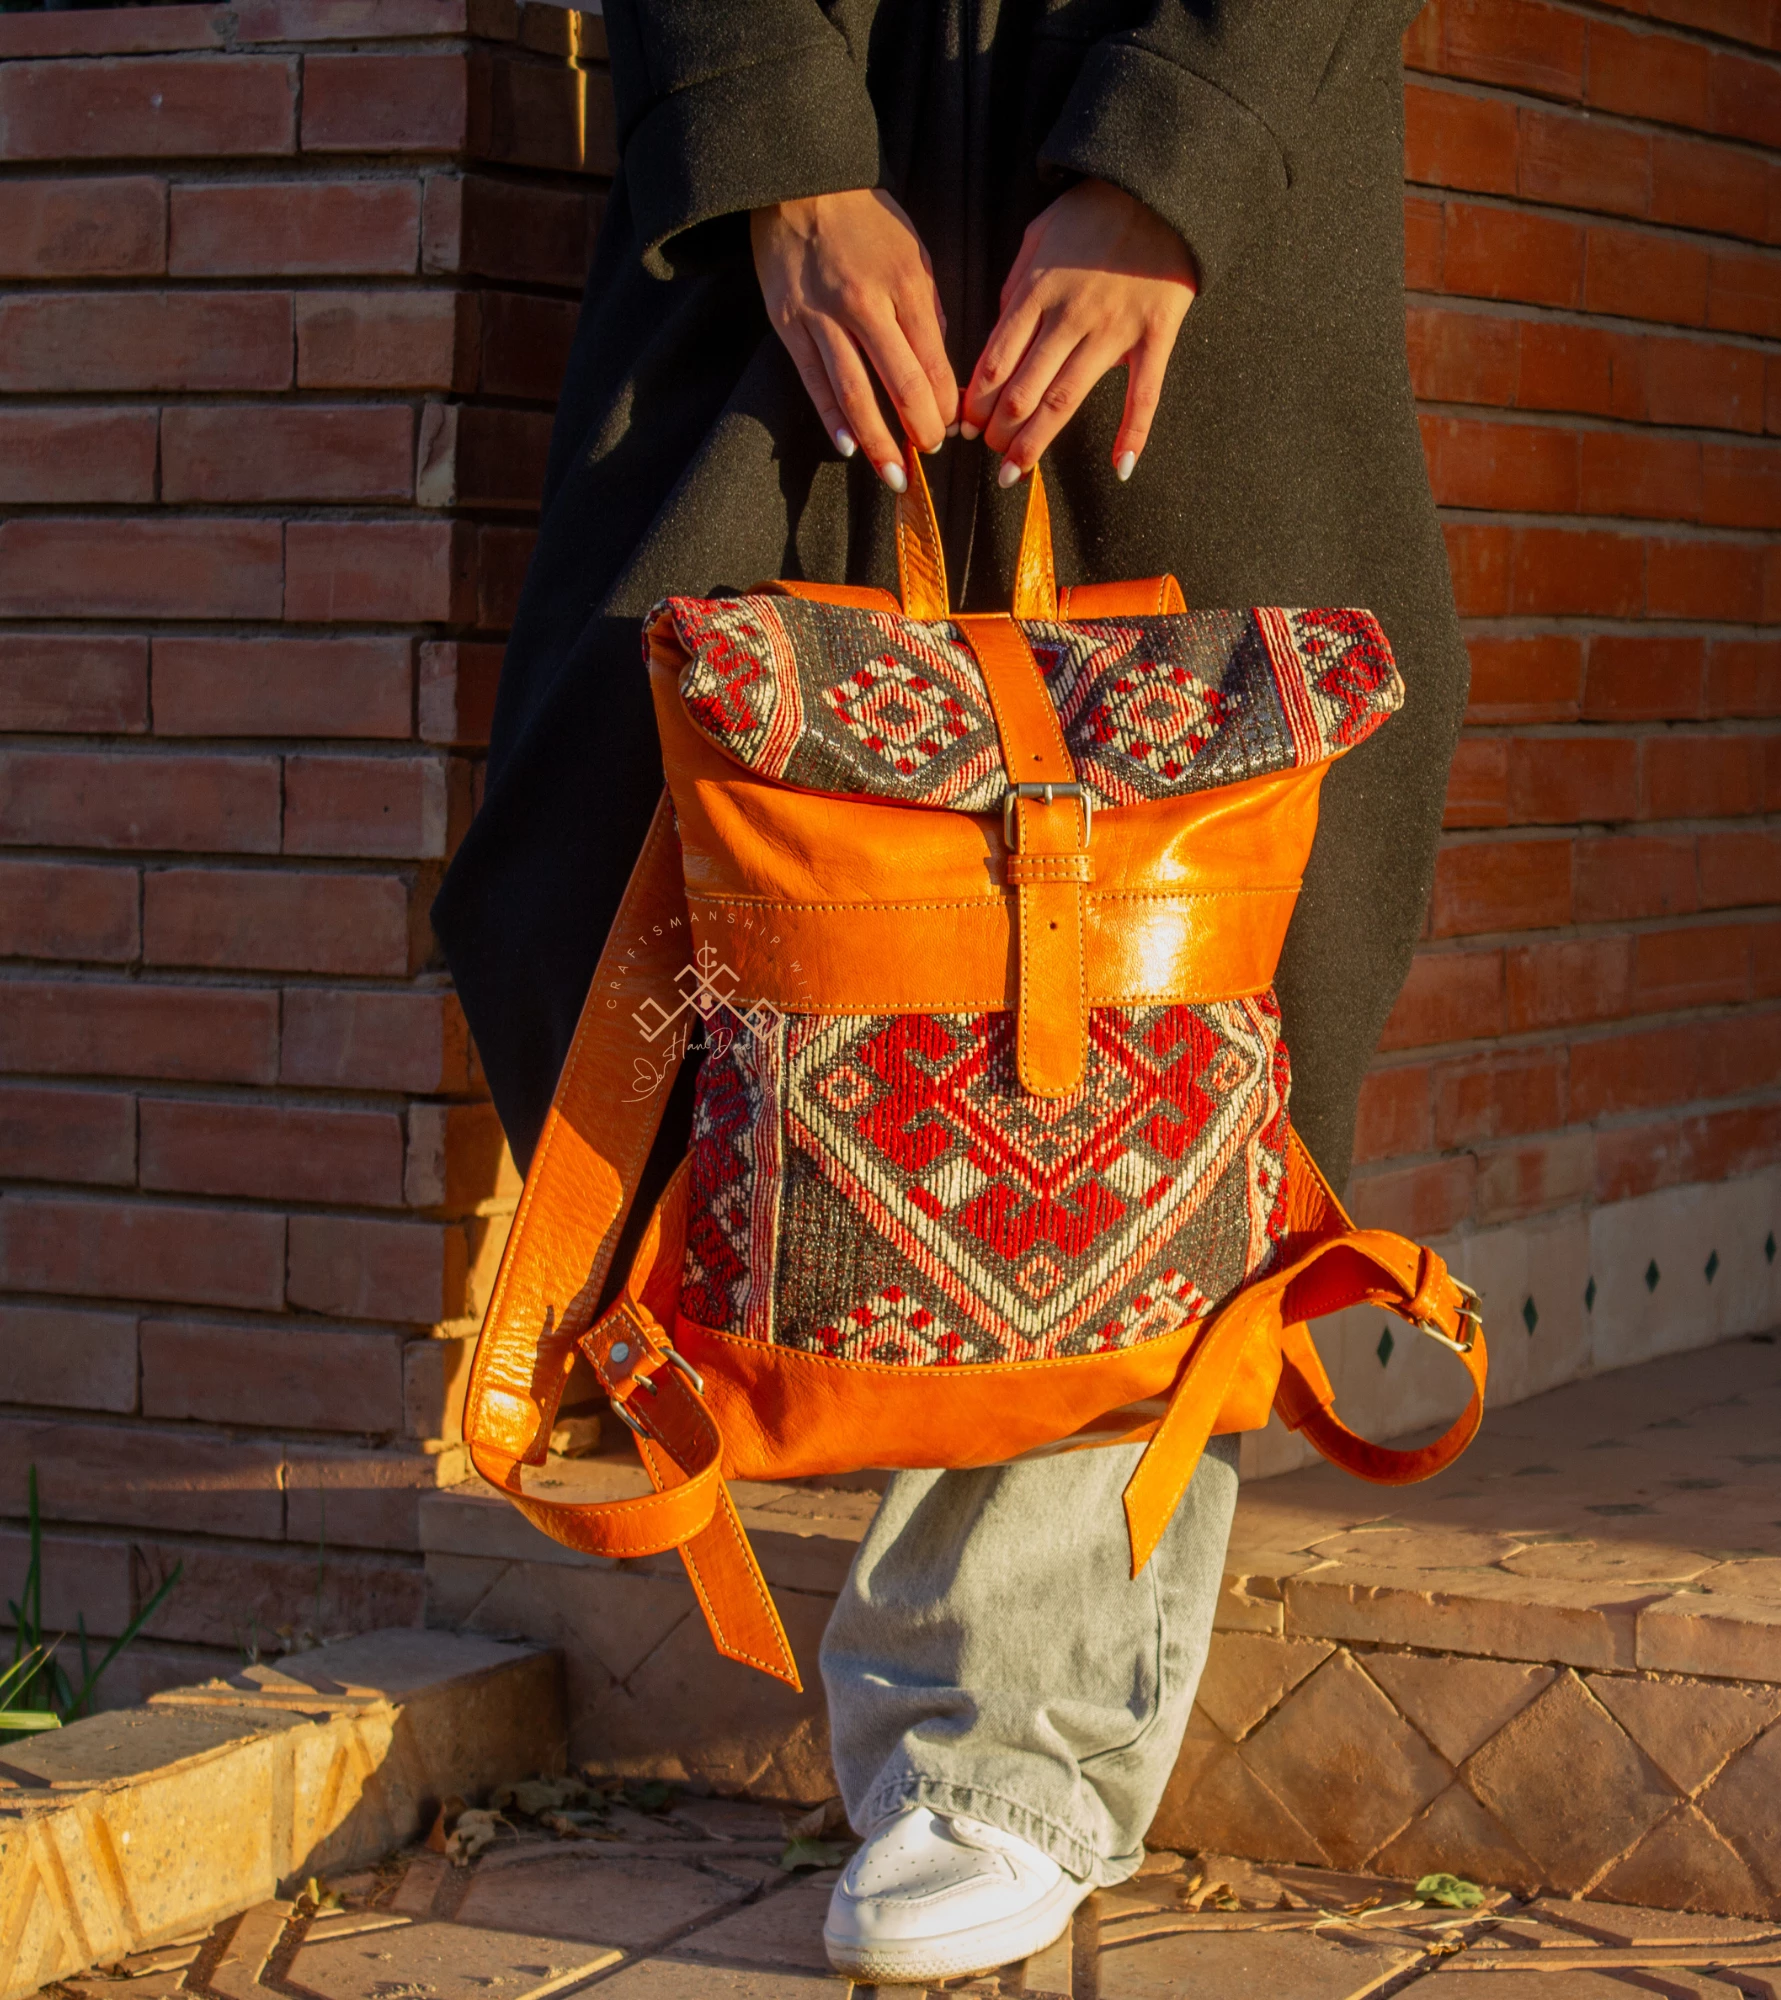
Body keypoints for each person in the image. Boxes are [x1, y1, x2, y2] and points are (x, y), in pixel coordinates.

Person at [432, 0, 1467, 1982]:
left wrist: (1177, 148)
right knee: (626, 825)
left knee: (1149, 1005)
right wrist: (777, 147)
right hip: (814, 170)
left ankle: (1002, 1739)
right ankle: (761, 1389)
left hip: (1174, 195)